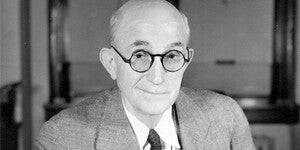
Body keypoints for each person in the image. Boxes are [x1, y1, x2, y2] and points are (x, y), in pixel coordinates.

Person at [35, 0, 255, 149]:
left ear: (186, 62)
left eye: (171, 56)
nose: (157, 78)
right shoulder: (62, 139)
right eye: (140, 55)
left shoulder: (226, 118)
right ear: (111, 63)